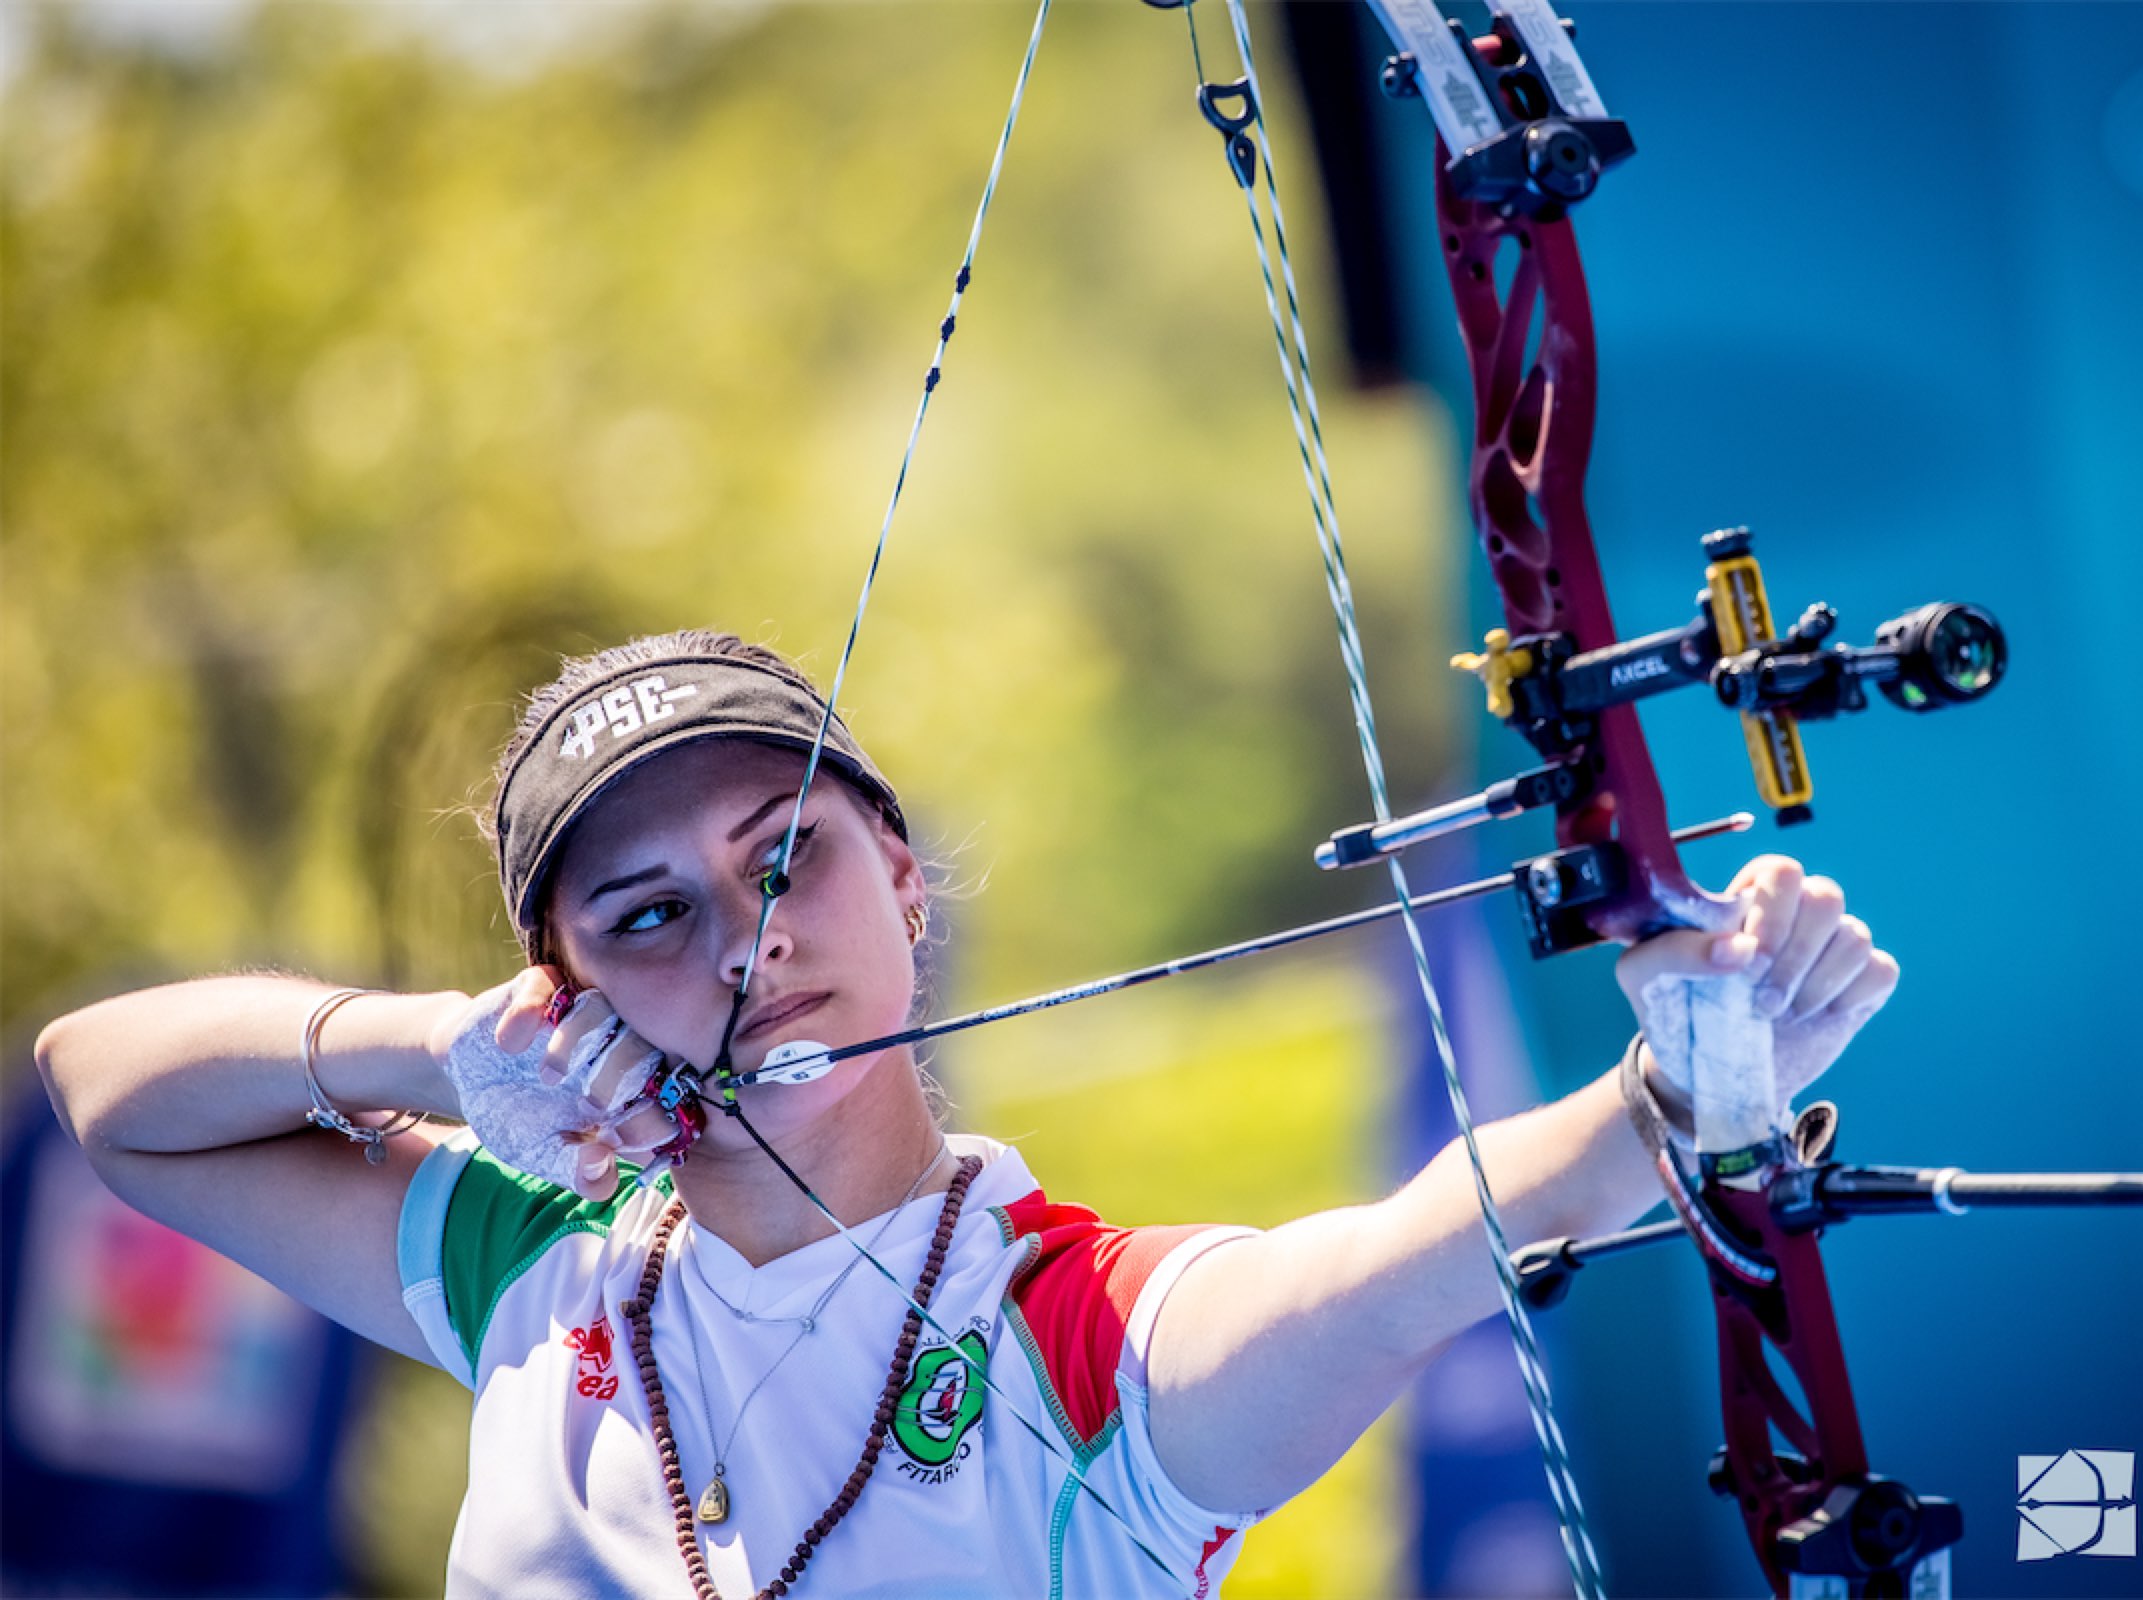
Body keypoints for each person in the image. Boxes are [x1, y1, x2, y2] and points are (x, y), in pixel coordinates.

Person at [35, 629, 1898, 1598]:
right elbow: (106, 1094)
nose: (751, 944)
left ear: (905, 885)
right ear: (568, 992)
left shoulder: (1081, 1346)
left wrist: (1670, 1096)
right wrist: (440, 1052)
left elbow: (1400, 1263)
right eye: (650, 918)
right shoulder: (530, 1261)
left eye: (791, 862)